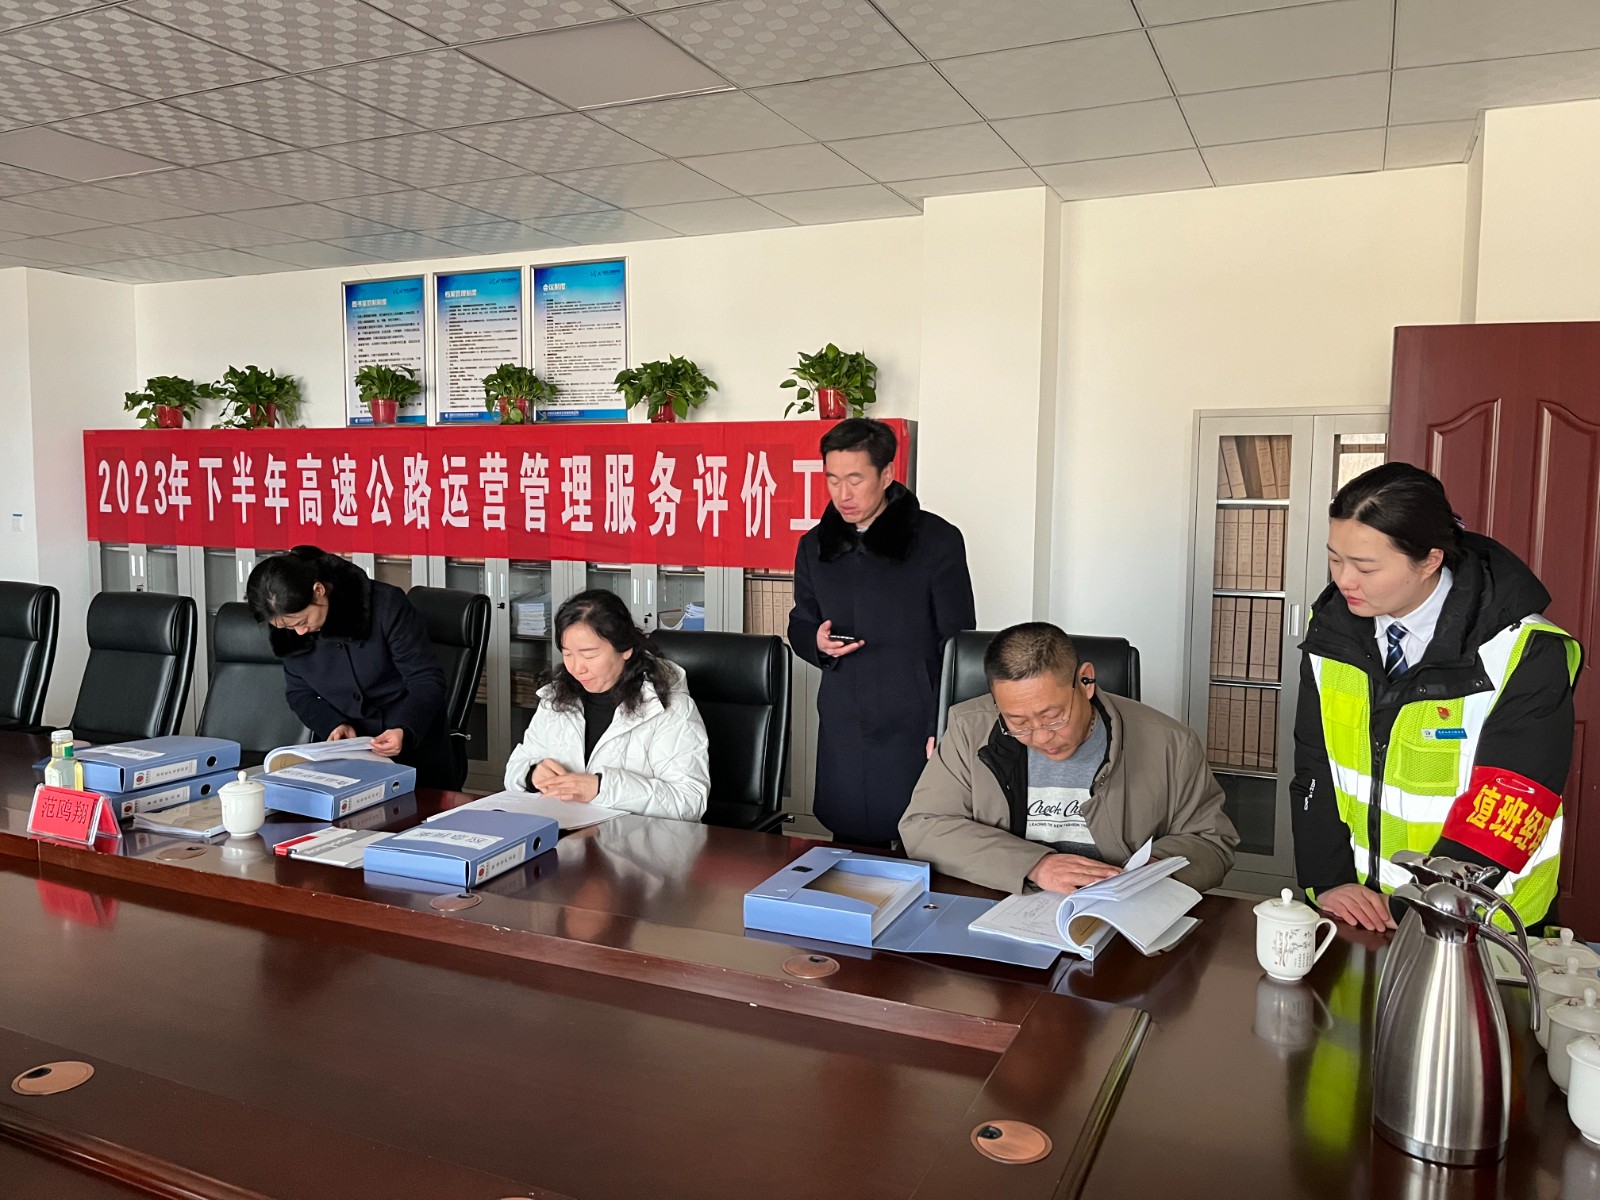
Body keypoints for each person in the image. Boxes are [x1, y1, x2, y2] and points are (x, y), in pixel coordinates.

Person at [1291, 462, 1581, 932]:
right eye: (1335, 559)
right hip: (1355, 908)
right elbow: (1314, 763)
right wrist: (1328, 881)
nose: (1344, 580)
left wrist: (1419, 906)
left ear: (1430, 560)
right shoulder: (1330, 632)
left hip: (1482, 919)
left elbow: (1510, 804)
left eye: (1365, 567)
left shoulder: (1522, 650)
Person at [901, 622, 1237, 894]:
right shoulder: (969, 730)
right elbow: (924, 826)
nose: (1041, 737)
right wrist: (1034, 864)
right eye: (1018, 723)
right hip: (1007, 907)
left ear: (1085, 681)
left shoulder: (1170, 743)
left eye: (1053, 717)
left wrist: (1153, 871)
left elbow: (1211, 843)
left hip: (1121, 916)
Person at [788, 418, 975, 846]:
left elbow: (958, 643)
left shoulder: (936, 540)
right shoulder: (815, 545)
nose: (843, 494)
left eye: (855, 479)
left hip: (913, 717)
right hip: (844, 715)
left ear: (887, 474)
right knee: (846, 840)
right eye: (833, 479)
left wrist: (944, 724)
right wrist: (815, 641)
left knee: (920, 833)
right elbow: (800, 621)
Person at [247, 546, 452, 788]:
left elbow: (426, 679)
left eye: (303, 621)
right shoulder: (288, 629)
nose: (299, 632)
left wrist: (404, 728)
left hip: (413, 748)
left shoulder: (385, 605)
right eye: (289, 627)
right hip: (347, 758)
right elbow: (299, 694)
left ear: (318, 590)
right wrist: (334, 724)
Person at [504, 589, 709, 821]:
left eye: (589, 655)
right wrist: (531, 774)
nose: (577, 668)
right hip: (566, 832)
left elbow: (689, 801)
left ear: (626, 649)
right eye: (568, 654)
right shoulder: (556, 697)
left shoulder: (670, 707)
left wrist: (602, 788)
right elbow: (516, 766)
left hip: (637, 839)